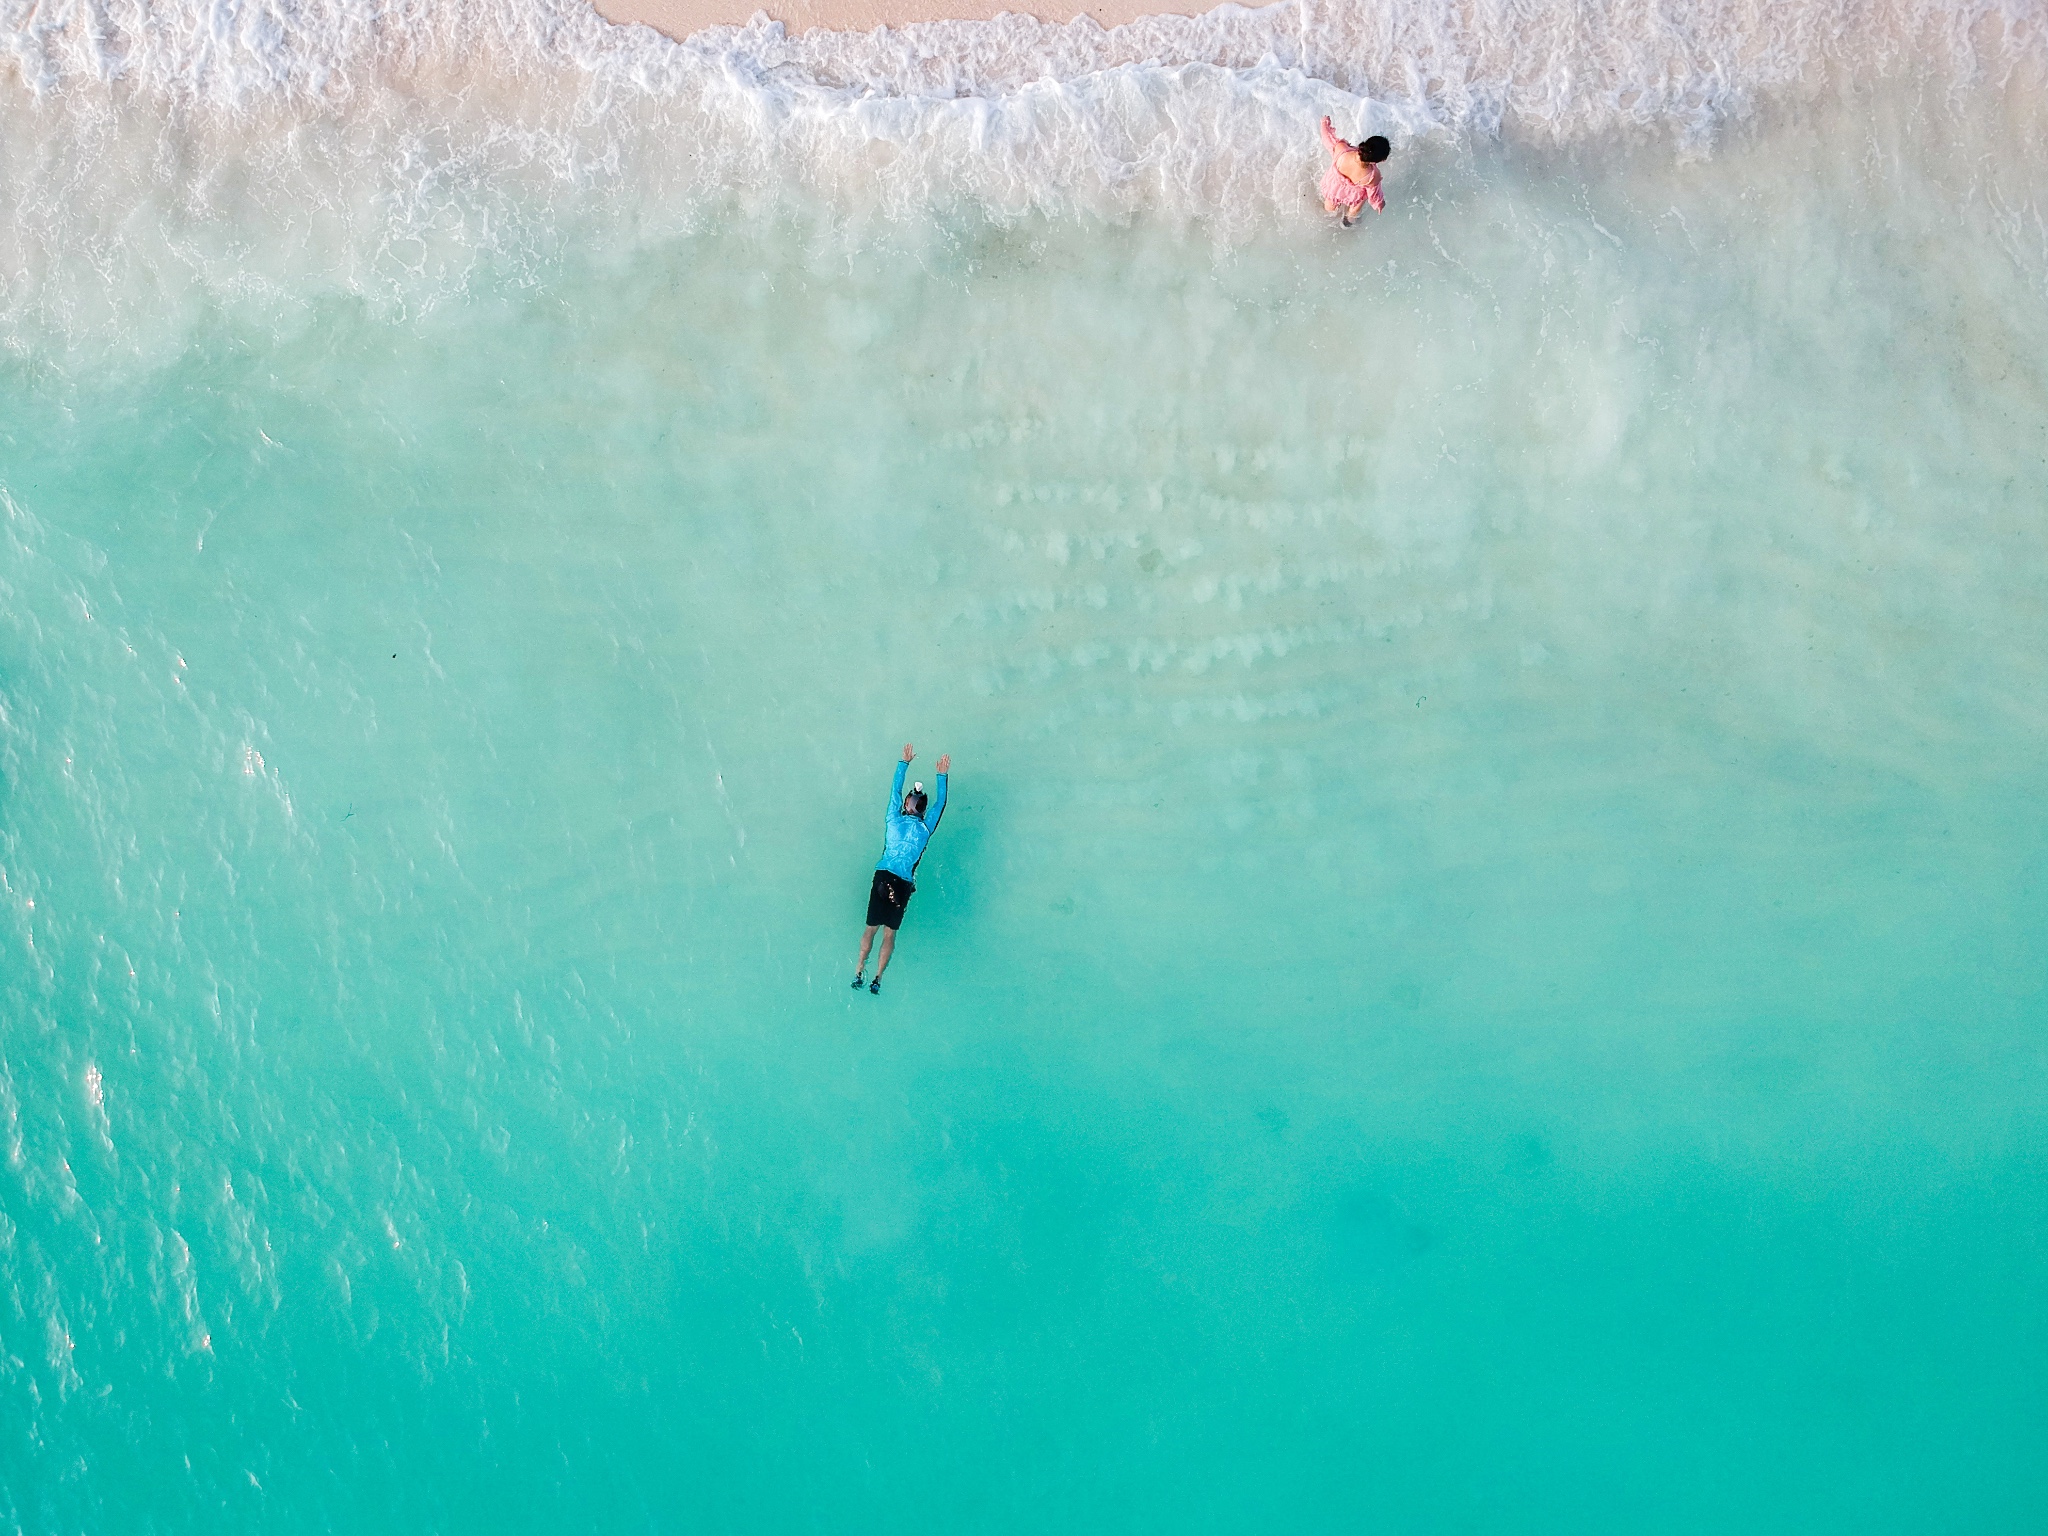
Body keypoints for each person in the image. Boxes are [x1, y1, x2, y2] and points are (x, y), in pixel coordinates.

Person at [852, 743, 950, 995]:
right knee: (889, 935)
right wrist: (942, 775)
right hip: (903, 884)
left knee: (870, 929)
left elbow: (894, 789)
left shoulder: (892, 818)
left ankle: (859, 969)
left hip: (883, 876)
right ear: (923, 811)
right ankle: (878, 978)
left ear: (905, 804)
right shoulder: (926, 829)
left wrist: (903, 762)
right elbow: (941, 804)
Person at [1320, 118, 1389, 226]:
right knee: (1359, 202)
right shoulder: (1372, 175)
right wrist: (1379, 204)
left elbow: (1327, 138)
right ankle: (1348, 221)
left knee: (1330, 202)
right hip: (1353, 194)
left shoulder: (1342, 149)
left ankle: (1327, 218)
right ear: (1379, 160)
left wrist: (1324, 124)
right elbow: (1374, 195)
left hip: (1334, 187)